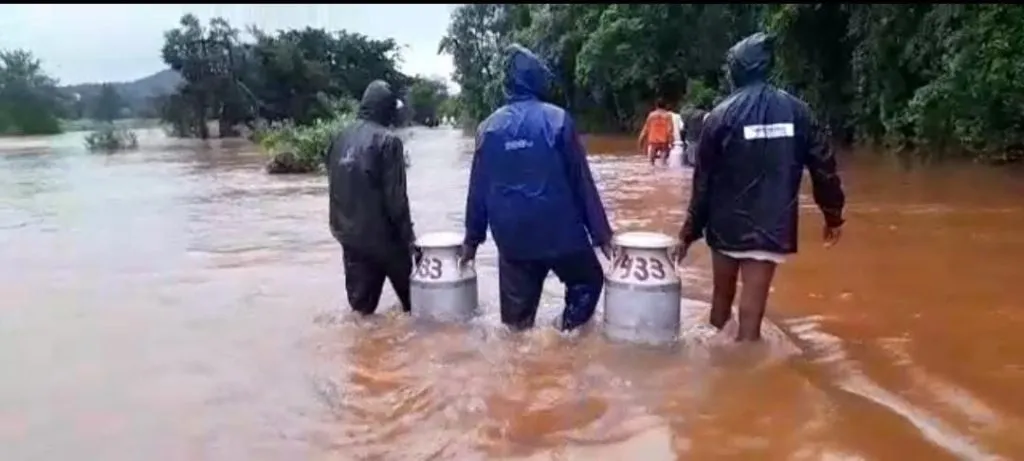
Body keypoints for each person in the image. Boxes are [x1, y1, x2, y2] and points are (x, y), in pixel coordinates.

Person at [676, 33, 846, 342]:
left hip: (725, 225)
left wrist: (688, 234)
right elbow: (824, 167)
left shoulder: (720, 116)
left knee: (719, 310)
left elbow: (703, 183)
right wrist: (833, 215)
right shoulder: (798, 112)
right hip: (771, 224)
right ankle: (748, 376)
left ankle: (715, 377)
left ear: (739, 69)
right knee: (751, 319)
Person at [459, 44, 613, 332]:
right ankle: (563, 333)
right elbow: (582, 183)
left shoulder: (487, 129)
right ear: (536, 79)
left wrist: (471, 242)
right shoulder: (558, 120)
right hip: (560, 234)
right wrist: (602, 236)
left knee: (515, 327)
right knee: (588, 281)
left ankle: (526, 361)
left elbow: (477, 191)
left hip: (512, 239)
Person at [326, 80, 418, 315]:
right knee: (416, 307)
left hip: (349, 238)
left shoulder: (339, 138)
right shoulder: (388, 141)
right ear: (386, 109)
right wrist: (411, 242)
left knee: (361, 314)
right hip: (385, 240)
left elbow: (335, 188)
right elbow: (396, 201)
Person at [638, 98, 675, 166]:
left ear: (656, 105)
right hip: (664, 141)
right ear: (665, 106)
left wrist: (640, 141)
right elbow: (670, 130)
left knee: (651, 163)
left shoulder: (651, 115)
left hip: (653, 141)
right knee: (663, 163)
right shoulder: (668, 116)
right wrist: (671, 141)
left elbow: (645, 129)